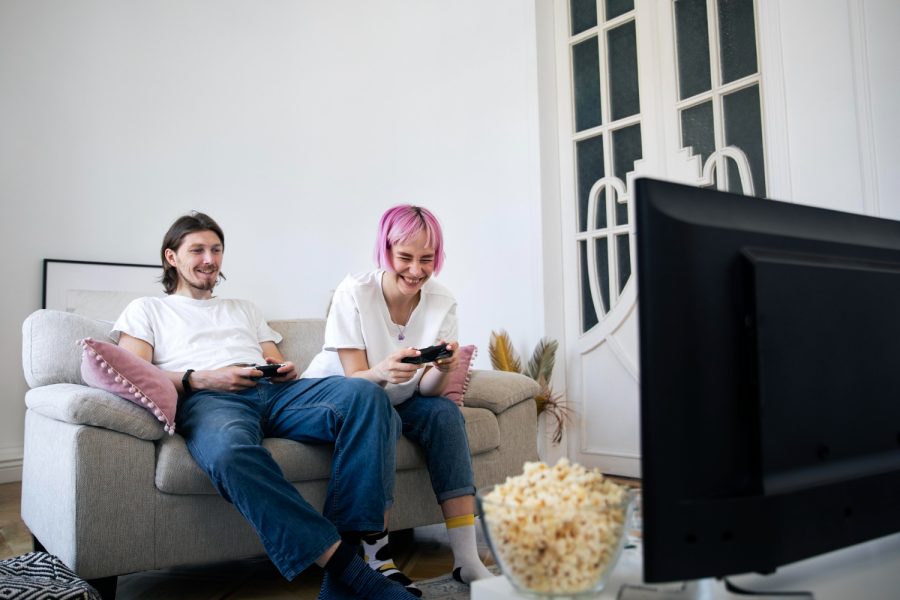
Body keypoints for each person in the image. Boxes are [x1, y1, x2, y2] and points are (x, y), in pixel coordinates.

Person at [113, 211, 418, 600]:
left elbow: (274, 359)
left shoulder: (244, 308)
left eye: (216, 249)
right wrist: (204, 377)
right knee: (227, 453)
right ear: (172, 257)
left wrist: (281, 370)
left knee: (366, 394)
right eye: (198, 250)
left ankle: (354, 568)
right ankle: (351, 573)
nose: (209, 259)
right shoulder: (147, 310)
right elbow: (137, 374)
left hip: (273, 394)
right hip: (211, 399)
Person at [302, 205, 494, 593]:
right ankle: (378, 560)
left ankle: (467, 560)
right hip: (341, 397)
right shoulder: (355, 291)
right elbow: (356, 377)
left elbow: (428, 391)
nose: (416, 270)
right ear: (385, 251)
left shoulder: (442, 300)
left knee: (443, 413)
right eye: (404, 257)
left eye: (427, 259)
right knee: (377, 411)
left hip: (397, 398)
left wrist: (443, 367)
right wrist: (383, 372)